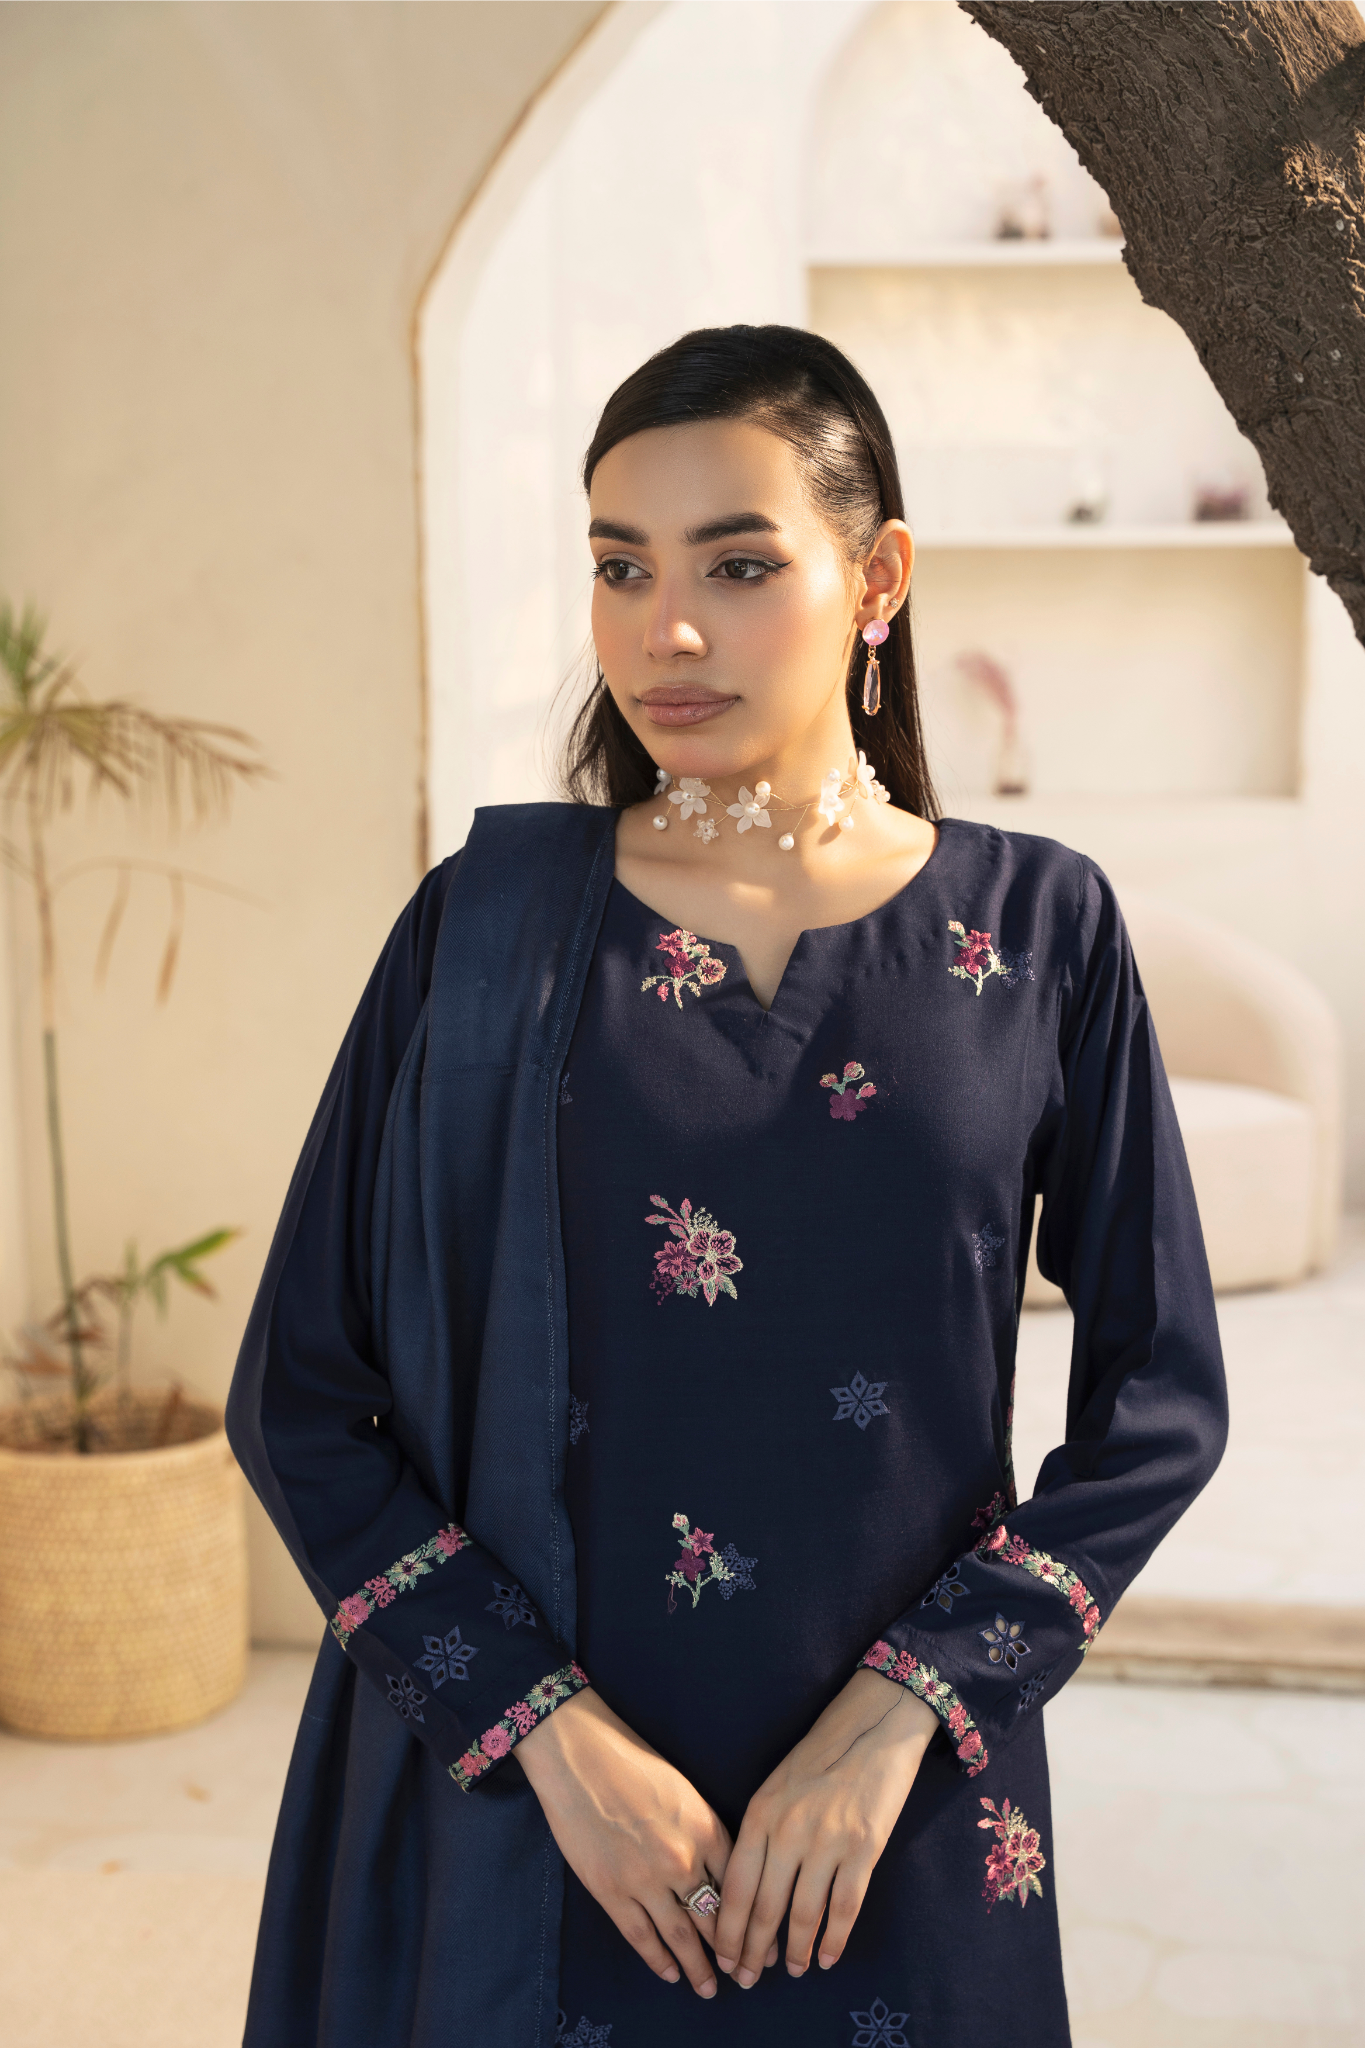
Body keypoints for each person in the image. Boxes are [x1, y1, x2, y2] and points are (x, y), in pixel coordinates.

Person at [228, 325, 1227, 2048]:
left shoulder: (1039, 931)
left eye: (739, 566)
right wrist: (551, 1739)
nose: (664, 629)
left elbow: (1161, 1399)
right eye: (621, 566)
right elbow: (300, 1397)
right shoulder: (482, 934)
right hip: (540, 1824)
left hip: (901, 1819)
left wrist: (910, 1711)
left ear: (879, 578)